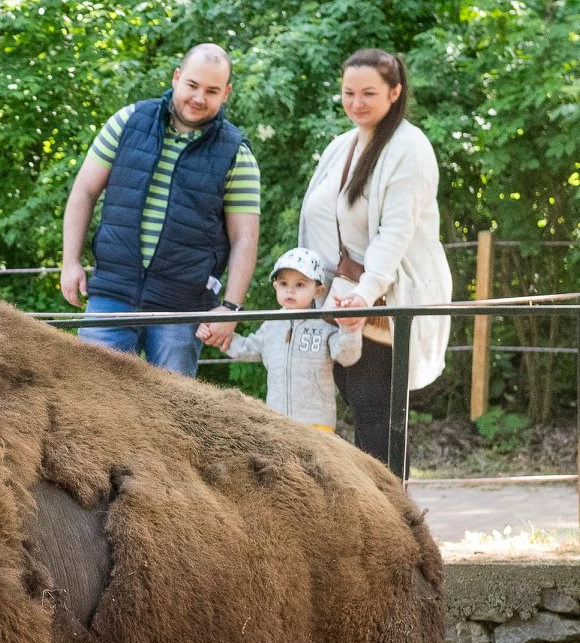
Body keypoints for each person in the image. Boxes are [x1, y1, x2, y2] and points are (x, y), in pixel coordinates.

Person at [60, 44, 262, 377]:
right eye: (193, 86)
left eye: (212, 91)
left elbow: (245, 238)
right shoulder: (128, 121)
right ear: (177, 77)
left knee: (174, 417)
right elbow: (84, 191)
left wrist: (230, 309)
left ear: (225, 93)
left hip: (182, 309)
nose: (199, 98)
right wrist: (70, 262)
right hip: (112, 293)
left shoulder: (236, 153)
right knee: (91, 406)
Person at [298, 48, 452, 464]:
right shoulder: (341, 146)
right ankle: (373, 517)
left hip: (381, 305)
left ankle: (395, 521)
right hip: (336, 300)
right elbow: (315, 219)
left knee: (377, 422)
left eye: (368, 93)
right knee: (356, 416)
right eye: (349, 93)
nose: (356, 103)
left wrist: (365, 295)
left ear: (395, 92)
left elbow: (394, 233)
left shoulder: (409, 147)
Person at [201, 247, 362, 431]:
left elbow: (348, 356)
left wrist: (349, 328)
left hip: (317, 423)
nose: (290, 291)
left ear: (318, 291)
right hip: (277, 422)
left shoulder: (325, 326)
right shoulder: (271, 325)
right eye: (284, 284)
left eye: (300, 285)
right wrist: (217, 336)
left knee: (314, 461)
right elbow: (247, 349)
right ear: (275, 286)